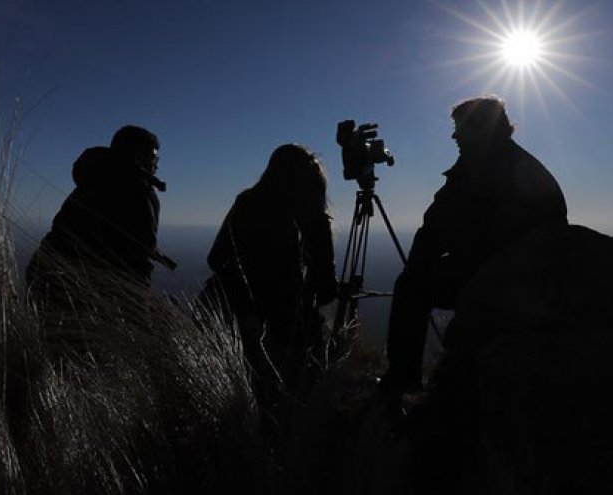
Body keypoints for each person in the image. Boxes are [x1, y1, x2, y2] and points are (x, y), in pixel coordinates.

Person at [381, 95, 567, 393]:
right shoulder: (519, 162)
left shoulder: (477, 168)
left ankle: (402, 381)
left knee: (410, 287)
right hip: (531, 276)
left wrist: (418, 268)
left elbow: (434, 230)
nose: (455, 135)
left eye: (460, 128)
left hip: (497, 274)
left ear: (480, 129)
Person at [203, 144, 337, 399]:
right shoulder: (304, 217)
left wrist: (245, 309)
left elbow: (218, 258)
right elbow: (326, 290)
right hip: (271, 325)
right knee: (287, 394)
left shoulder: (249, 201)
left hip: (232, 312)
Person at [27, 125, 166, 291]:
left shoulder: (91, 180)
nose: (155, 166)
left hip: (44, 276)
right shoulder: (139, 191)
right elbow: (139, 258)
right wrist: (144, 310)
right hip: (90, 294)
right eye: (151, 157)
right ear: (136, 156)